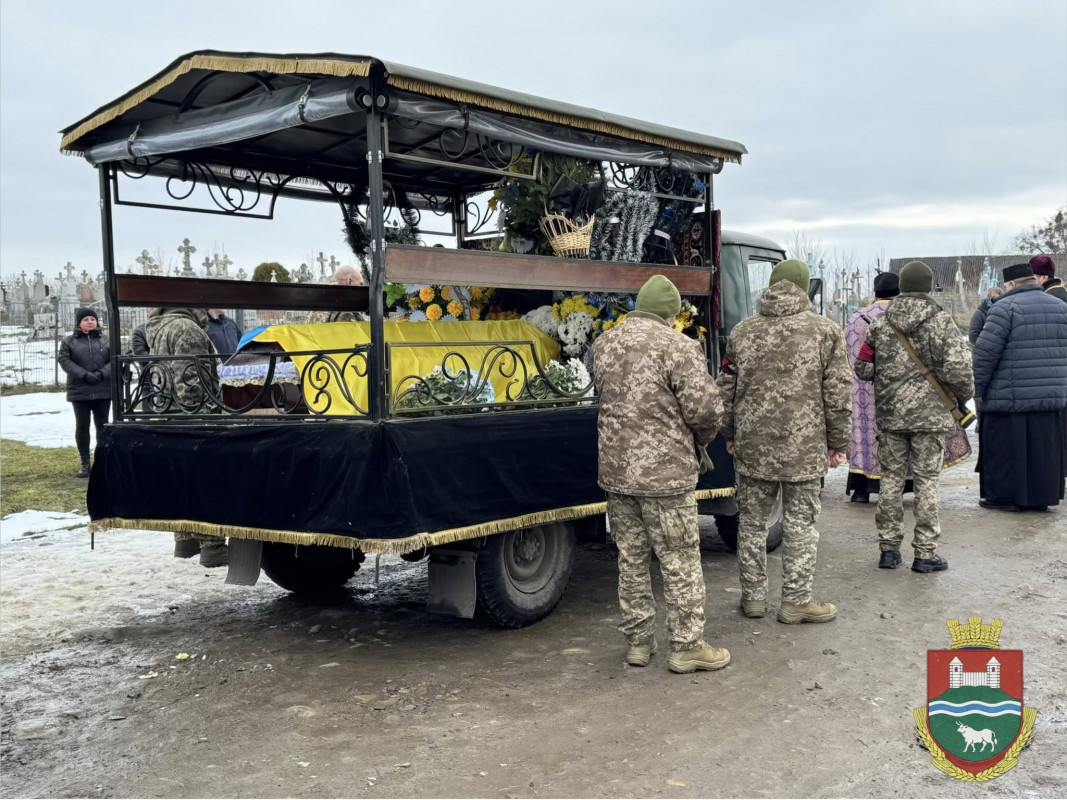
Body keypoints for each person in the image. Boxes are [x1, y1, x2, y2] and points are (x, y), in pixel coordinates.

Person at [593, 275, 728, 674]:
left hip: (617, 475)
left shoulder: (604, 344)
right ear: (671, 315)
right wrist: (698, 442)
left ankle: (638, 643)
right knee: (679, 560)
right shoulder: (679, 347)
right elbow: (705, 411)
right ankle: (687, 646)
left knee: (631, 559)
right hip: (666, 477)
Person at [716, 260, 851, 624]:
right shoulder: (825, 331)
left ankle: (754, 599)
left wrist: (730, 434)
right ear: (805, 288)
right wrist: (839, 442)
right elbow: (838, 392)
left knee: (751, 523)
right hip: (805, 449)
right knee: (801, 525)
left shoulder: (743, 332)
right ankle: (795, 601)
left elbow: (725, 389)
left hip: (752, 447)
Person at [853, 261, 974, 573]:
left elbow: (863, 369)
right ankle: (925, 553)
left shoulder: (879, 323)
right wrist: (960, 394)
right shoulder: (941, 321)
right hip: (932, 417)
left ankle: (889, 551)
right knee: (926, 481)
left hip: (891, 415)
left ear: (903, 286)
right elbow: (960, 371)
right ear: (928, 286)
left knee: (891, 479)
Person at [973, 262, 1067, 511]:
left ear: (1012, 284)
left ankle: (1005, 498)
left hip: (1010, 397)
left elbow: (985, 355)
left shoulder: (1004, 308)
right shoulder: (1061, 306)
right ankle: (1042, 499)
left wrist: (978, 391)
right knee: (1043, 450)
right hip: (1050, 396)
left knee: (1007, 450)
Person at [145, 307, 227, 567]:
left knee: (183, 480)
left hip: (169, 412)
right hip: (192, 416)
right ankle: (212, 544)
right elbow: (191, 378)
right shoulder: (186, 328)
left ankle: (184, 537)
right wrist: (207, 416)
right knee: (205, 479)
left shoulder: (160, 326)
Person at [57, 308, 111, 478]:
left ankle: (102, 461)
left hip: (103, 388)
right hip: (80, 389)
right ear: (79, 323)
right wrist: (84, 375)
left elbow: (114, 359)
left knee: (102, 425)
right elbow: (64, 360)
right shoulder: (68, 341)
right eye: (86, 319)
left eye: (93, 319)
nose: (90, 321)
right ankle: (85, 462)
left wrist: (102, 373)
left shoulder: (106, 340)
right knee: (82, 425)